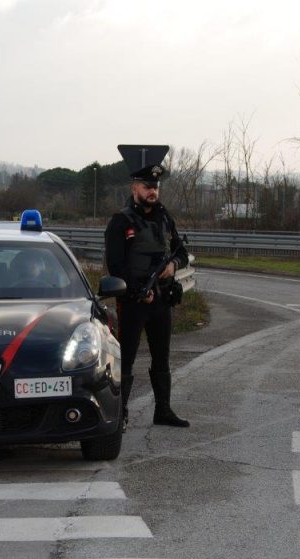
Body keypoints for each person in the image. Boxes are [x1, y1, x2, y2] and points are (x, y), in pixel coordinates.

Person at [104, 144, 190, 429]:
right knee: (126, 358)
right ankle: (121, 414)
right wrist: (137, 291)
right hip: (134, 302)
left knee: (161, 357)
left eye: (155, 186)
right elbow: (116, 266)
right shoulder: (121, 221)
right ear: (134, 188)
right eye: (146, 186)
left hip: (162, 301)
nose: (152, 191)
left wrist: (173, 266)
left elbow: (181, 252)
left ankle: (163, 410)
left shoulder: (165, 218)